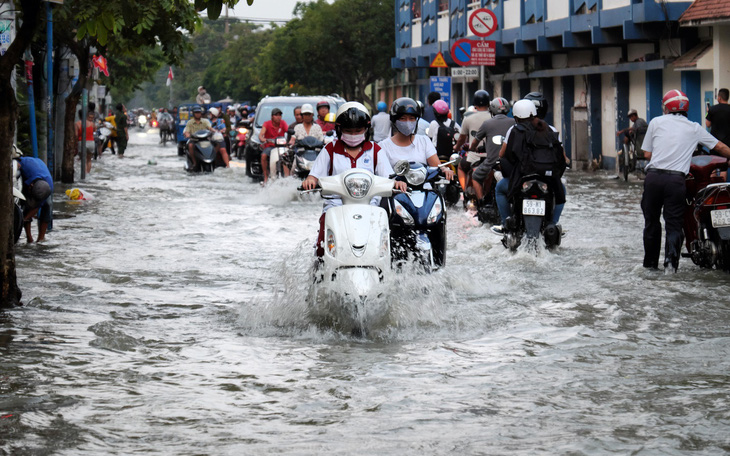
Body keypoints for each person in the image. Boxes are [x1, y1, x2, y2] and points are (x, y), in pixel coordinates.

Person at [302, 102, 407, 257]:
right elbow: (314, 175)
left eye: (358, 130)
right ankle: (319, 276)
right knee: (322, 248)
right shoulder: (330, 150)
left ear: (366, 130)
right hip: (335, 207)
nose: (353, 134)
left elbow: (388, 177)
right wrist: (309, 180)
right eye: (348, 130)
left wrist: (396, 182)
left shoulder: (375, 150)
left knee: (384, 247)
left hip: (371, 208)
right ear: (339, 130)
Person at [641, 89, 730, 272]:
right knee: (673, 225)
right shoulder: (694, 127)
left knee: (652, 223)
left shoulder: (656, 122)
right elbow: (720, 147)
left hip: (653, 179)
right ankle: (670, 267)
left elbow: (647, 154)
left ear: (666, 107)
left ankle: (650, 266)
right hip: (676, 181)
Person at [492, 99, 566, 235]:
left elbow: (503, 155)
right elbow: (562, 157)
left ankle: (506, 223)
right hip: (548, 179)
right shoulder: (551, 129)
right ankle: (553, 225)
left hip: (520, 178)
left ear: (515, 116)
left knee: (499, 189)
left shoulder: (513, 130)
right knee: (562, 191)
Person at [378, 97, 454, 180]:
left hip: (424, 190)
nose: (408, 122)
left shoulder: (424, 141)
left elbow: (436, 167)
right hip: (397, 191)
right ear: (395, 120)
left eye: (411, 118)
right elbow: (384, 175)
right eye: (403, 118)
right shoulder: (383, 146)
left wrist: (445, 170)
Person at [471, 97, 514, 202]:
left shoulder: (487, 123)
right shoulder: (514, 122)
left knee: (475, 177)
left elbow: (475, 141)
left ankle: (481, 201)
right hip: (511, 164)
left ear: (492, 110)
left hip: (491, 163)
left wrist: (472, 148)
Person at [453, 90, 491, 190]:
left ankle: (465, 190)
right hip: (491, 157)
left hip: (473, 157)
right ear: (488, 103)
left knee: (460, 167)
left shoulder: (468, 118)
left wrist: (456, 147)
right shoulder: (493, 117)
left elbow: (462, 138)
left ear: (475, 104)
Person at [16, 155, 53, 243]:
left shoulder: (48, 187)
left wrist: (24, 219)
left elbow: (37, 207)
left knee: (47, 206)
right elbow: (16, 162)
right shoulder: (26, 167)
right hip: (29, 174)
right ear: (31, 185)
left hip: (43, 181)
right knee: (26, 206)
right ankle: (29, 238)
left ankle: (41, 239)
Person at [258, 107, 289, 183]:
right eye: (276, 115)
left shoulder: (283, 123)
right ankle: (265, 176)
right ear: (272, 116)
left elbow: (288, 130)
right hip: (270, 146)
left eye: (280, 115)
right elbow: (261, 134)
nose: (278, 117)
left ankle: (288, 177)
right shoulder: (267, 123)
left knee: (287, 156)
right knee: (263, 156)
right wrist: (263, 139)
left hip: (281, 146)